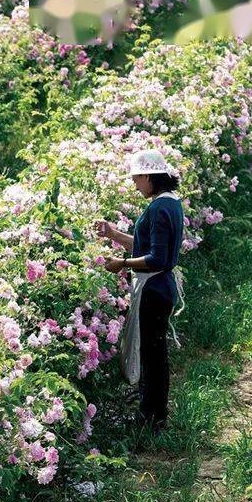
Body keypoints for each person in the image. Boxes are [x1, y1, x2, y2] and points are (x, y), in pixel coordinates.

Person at [95, 149, 186, 432]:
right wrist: (113, 234)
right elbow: (148, 245)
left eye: (136, 179)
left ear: (148, 176)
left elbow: (156, 259)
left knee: (152, 355)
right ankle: (154, 413)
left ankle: (151, 419)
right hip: (161, 287)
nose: (135, 184)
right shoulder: (171, 203)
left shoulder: (159, 208)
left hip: (154, 290)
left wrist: (121, 263)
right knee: (155, 353)